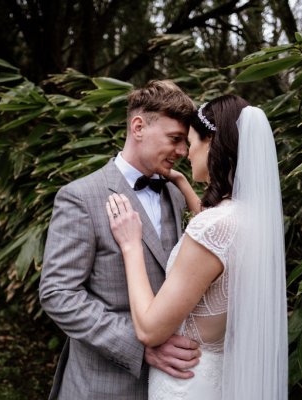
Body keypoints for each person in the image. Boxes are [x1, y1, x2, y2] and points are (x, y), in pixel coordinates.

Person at [106, 94, 288, 400]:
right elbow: (215, 236)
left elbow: (150, 330)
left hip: (184, 382)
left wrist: (131, 246)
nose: (185, 153)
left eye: (190, 142)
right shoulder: (252, 220)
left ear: (213, 144)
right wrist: (183, 184)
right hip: (218, 379)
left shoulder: (214, 226)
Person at [39, 80, 203, 399]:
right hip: (102, 385)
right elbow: (58, 293)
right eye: (175, 139)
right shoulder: (81, 198)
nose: (183, 152)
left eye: (186, 142)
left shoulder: (175, 194)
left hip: (173, 385)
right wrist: (139, 347)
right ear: (138, 126)